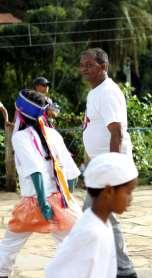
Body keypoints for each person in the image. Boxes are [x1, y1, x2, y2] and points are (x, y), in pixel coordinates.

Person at [0, 89, 80, 277]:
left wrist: (43, 202)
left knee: (10, 245)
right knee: (70, 245)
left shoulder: (19, 137)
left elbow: (35, 170)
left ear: (20, 111)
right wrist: (65, 201)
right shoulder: (53, 134)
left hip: (34, 201)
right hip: (59, 201)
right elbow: (72, 173)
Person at [80, 48, 136, 278]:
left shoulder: (107, 92)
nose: (84, 69)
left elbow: (117, 133)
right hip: (101, 165)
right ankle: (111, 266)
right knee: (95, 214)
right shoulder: (96, 92)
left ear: (103, 67)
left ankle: (123, 269)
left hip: (109, 167)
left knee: (99, 214)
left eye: (89, 65)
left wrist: (112, 171)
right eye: (82, 65)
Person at [45, 152, 138, 278]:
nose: (131, 198)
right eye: (128, 192)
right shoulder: (91, 233)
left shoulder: (102, 223)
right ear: (109, 191)